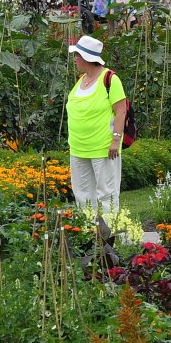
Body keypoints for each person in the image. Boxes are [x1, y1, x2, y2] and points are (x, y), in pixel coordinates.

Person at [65, 35, 127, 213]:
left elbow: (121, 111)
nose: (75, 59)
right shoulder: (81, 80)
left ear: (87, 58)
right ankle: (89, 235)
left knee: (107, 194)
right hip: (78, 148)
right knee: (82, 195)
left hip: (104, 148)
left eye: (77, 55)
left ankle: (109, 239)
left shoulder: (110, 79)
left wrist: (116, 140)